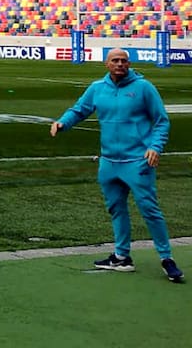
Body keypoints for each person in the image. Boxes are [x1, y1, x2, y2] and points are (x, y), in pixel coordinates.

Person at [50, 48, 183, 283]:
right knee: (116, 209)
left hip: (137, 161)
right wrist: (63, 123)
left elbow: (161, 121)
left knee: (150, 210)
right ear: (106, 64)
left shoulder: (143, 88)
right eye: (115, 60)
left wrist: (155, 147)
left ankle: (166, 258)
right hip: (109, 162)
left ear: (129, 63)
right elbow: (79, 110)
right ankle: (122, 256)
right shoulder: (97, 88)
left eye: (123, 60)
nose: (120, 64)